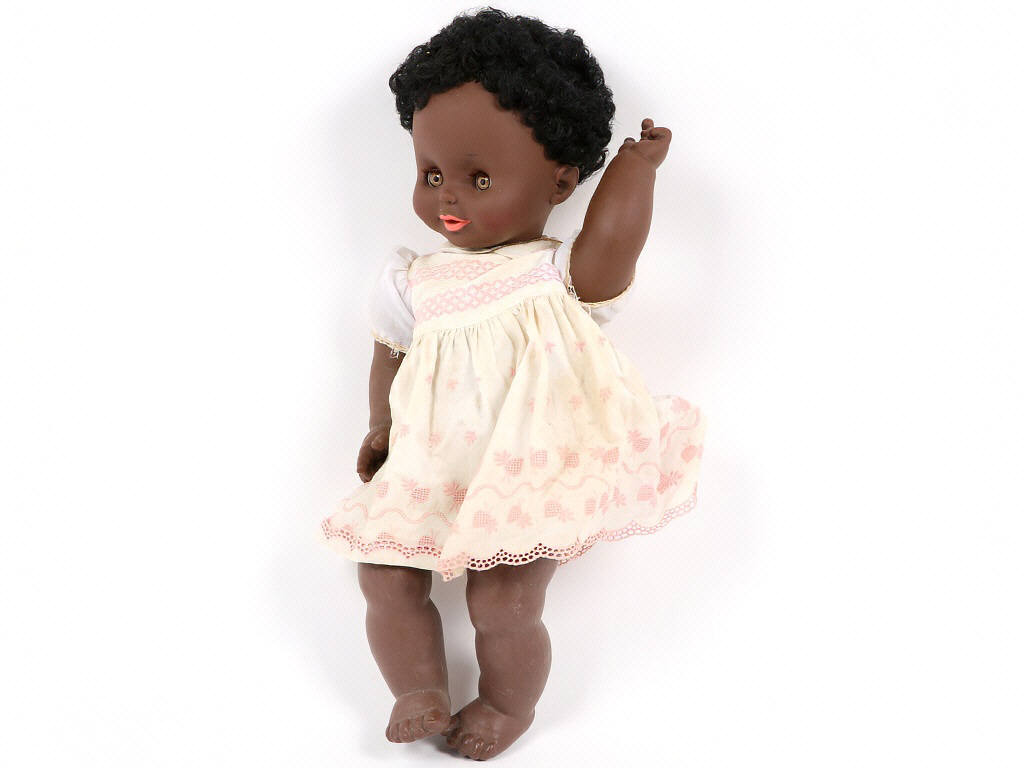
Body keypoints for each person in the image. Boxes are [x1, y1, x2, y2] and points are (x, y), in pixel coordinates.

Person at [319, 8, 706, 760]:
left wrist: (635, 169)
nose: (448, 199)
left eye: (479, 178)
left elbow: (609, 253)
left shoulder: (551, 273)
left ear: (560, 181)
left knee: (503, 600)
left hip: (526, 467)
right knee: (384, 575)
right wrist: (379, 425)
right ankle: (416, 689)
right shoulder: (412, 279)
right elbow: (390, 352)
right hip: (430, 463)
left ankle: (506, 702)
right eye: (432, 175)